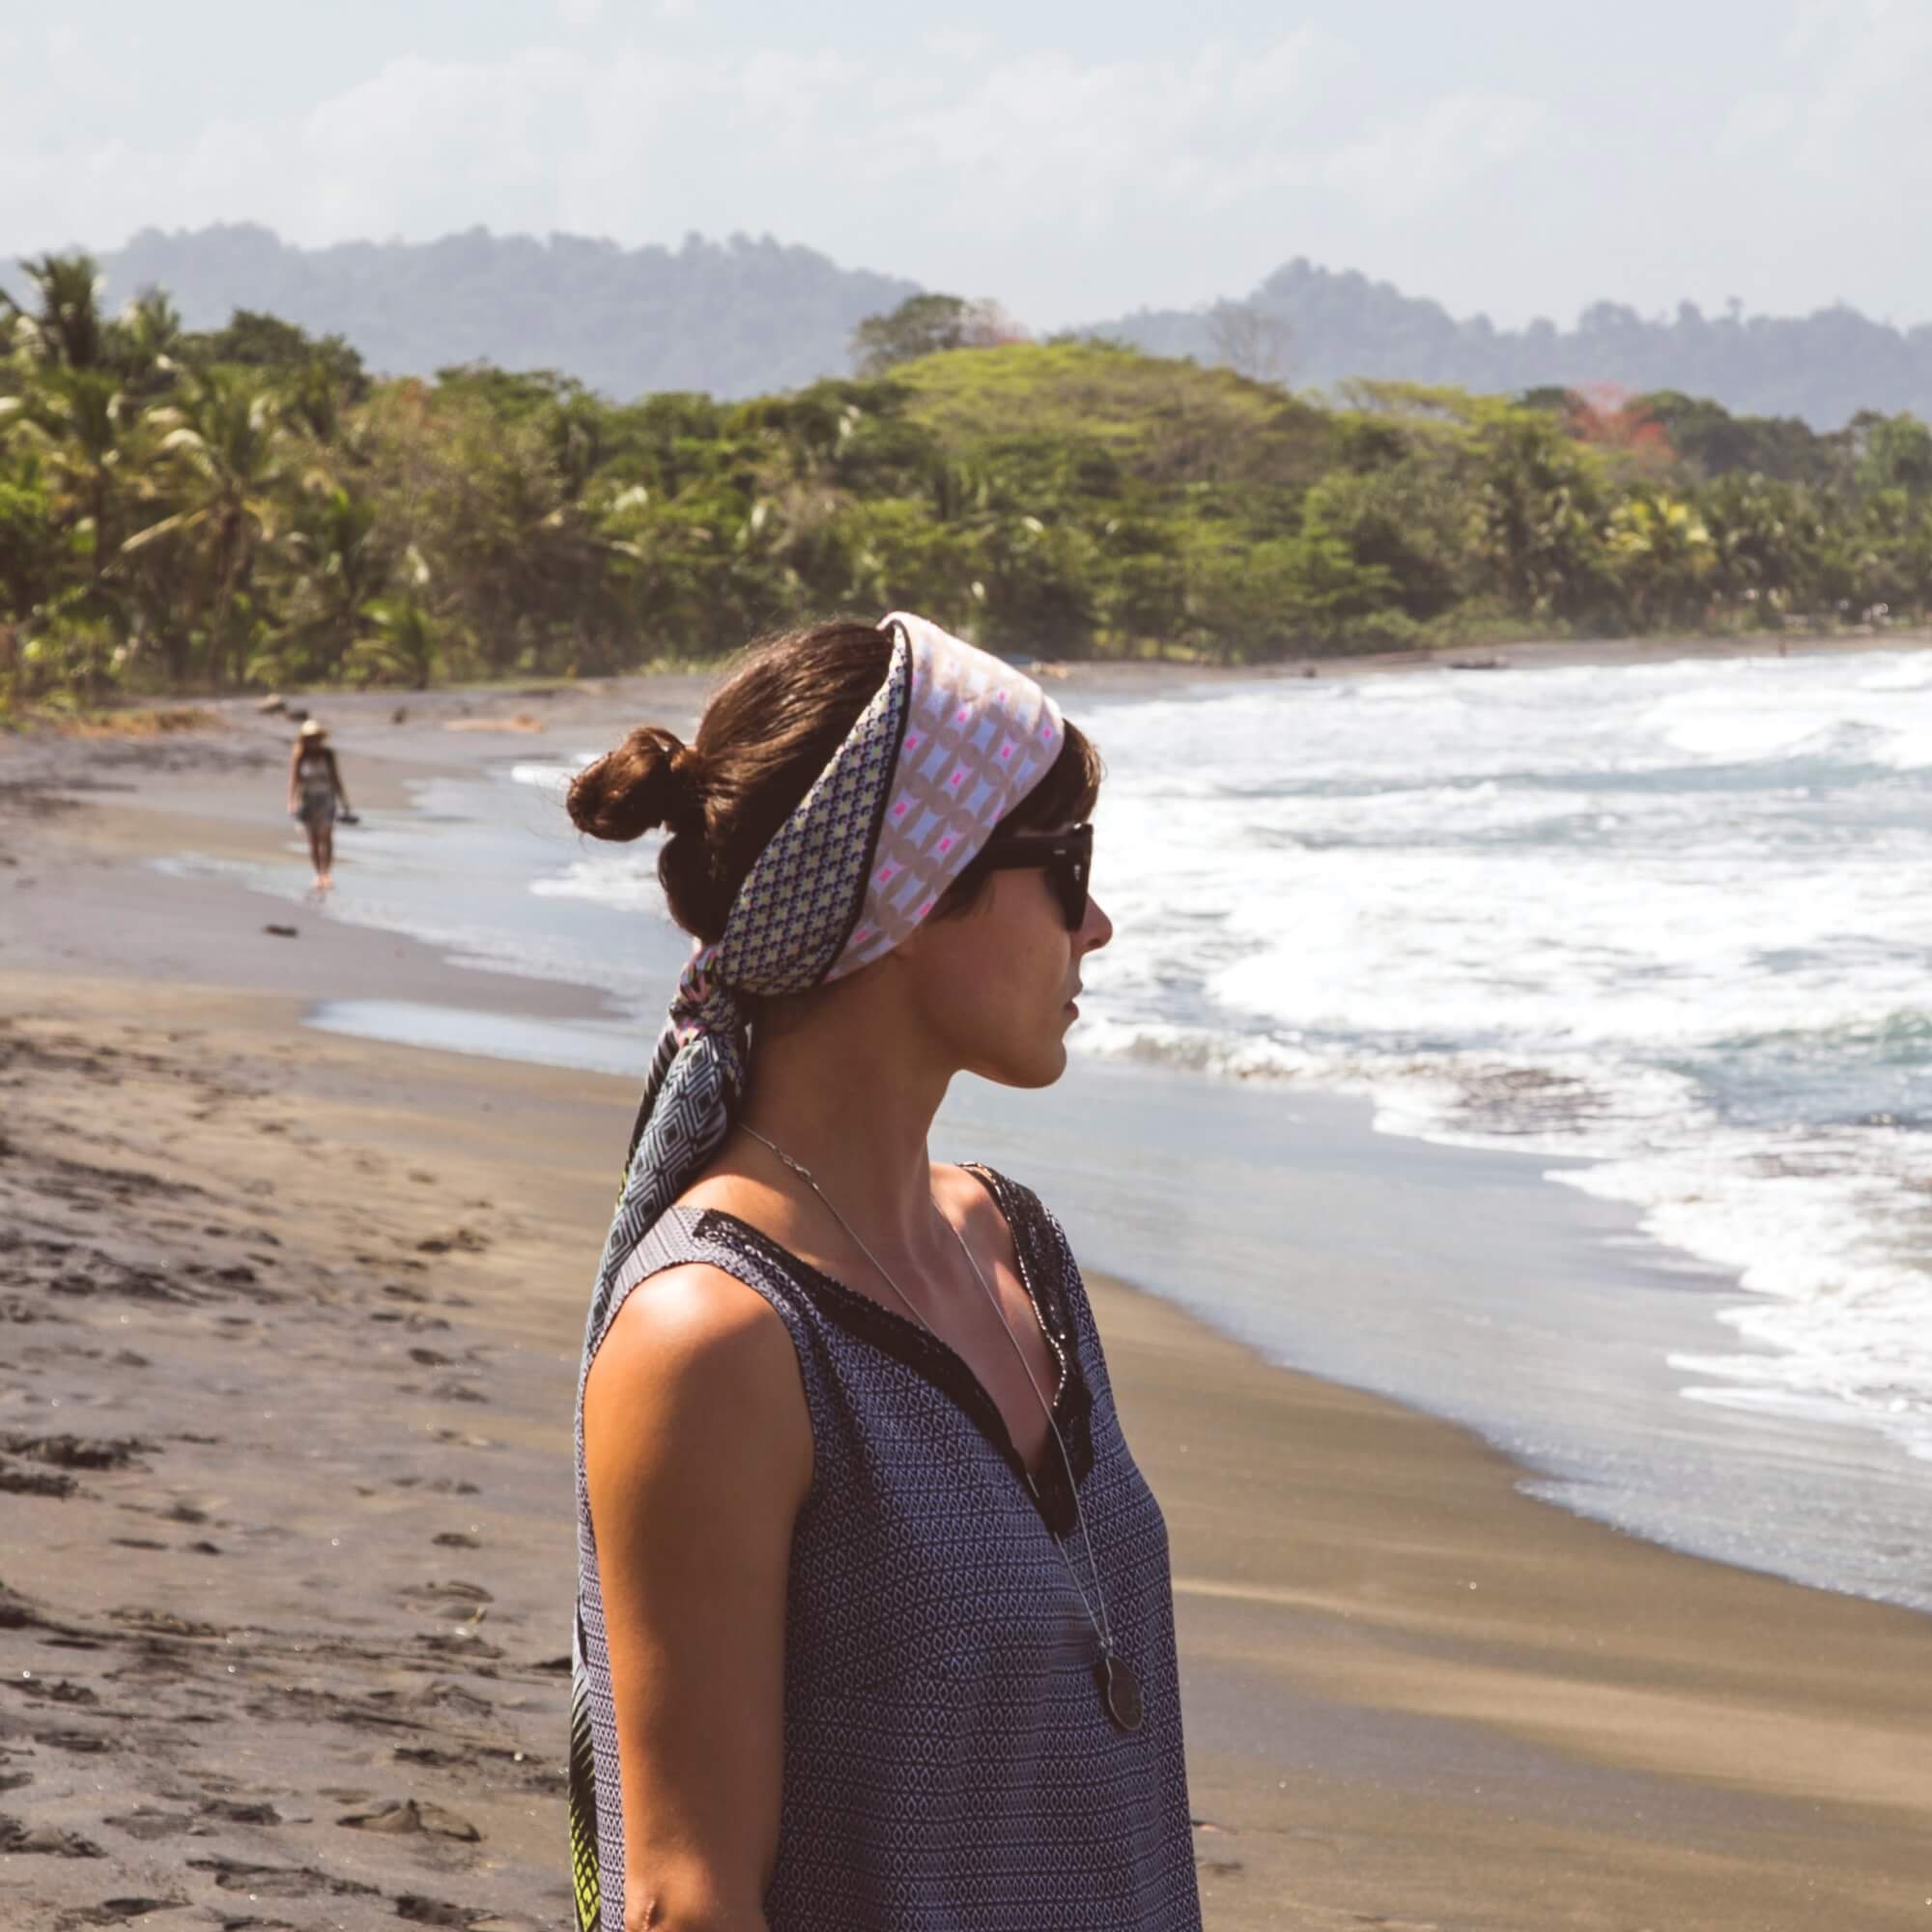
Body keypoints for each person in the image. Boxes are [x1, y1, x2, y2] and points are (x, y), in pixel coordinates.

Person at [565, 612, 1202, 1932]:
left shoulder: (1017, 1249)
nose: (1098, 924)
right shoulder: (719, 1339)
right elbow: (687, 1900)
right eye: (1063, 868)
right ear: (916, 890)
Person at [286, 719, 350, 893]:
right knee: (313, 840)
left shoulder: (327, 754)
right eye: (310, 738)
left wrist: (344, 802)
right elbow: (294, 780)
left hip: (326, 799)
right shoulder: (299, 755)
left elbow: (336, 778)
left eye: (316, 737)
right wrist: (291, 801)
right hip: (307, 800)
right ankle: (318, 874)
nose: (314, 741)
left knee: (326, 835)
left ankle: (327, 873)